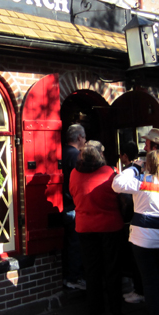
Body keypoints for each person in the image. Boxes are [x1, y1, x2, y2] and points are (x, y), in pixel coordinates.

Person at [112, 150, 159, 315]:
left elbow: (117, 184)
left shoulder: (143, 182)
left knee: (150, 280)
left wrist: (134, 167)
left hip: (143, 236)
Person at [69, 145, 126, 315]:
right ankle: (116, 312)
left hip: (85, 227)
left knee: (92, 271)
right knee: (112, 269)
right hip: (110, 226)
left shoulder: (74, 174)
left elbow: (73, 193)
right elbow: (120, 195)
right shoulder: (110, 172)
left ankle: (94, 311)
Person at [118, 140, 145, 304]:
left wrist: (123, 215)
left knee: (135, 259)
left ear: (125, 156)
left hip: (132, 219)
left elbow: (126, 198)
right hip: (142, 219)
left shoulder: (129, 172)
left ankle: (139, 290)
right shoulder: (142, 170)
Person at [62, 124, 86, 290]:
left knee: (70, 242)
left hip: (64, 204)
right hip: (73, 206)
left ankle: (70, 275)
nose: (85, 140)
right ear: (79, 138)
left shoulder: (61, 152)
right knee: (76, 243)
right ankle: (73, 278)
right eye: (84, 137)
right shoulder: (77, 156)